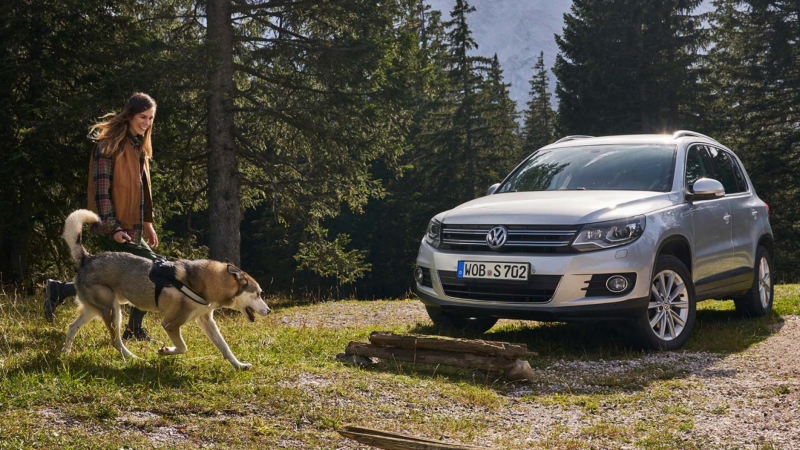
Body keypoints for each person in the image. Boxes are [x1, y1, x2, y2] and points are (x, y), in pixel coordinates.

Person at [44, 93, 160, 341]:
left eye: (151, 118)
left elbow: (143, 192)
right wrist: (113, 228)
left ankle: (57, 290)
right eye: (142, 117)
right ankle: (133, 330)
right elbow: (101, 192)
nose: (147, 122)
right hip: (114, 226)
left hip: (134, 227)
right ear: (129, 115)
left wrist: (148, 224)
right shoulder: (108, 146)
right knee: (152, 272)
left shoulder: (140, 146)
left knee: (145, 272)